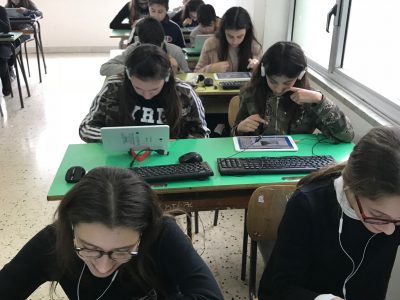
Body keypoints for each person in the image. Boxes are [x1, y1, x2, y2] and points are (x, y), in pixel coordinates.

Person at [0, 166, 224, 299]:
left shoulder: (161, 233)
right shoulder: (53, 241)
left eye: (123, 251)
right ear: (71, 227)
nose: (103, 267)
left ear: (143, 232)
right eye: (88, 249)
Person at [258, 126, 400, 300]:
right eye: (378, 216)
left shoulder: (392, 216)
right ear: (353, 186)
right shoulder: (307, 205)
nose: (390, 231)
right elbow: (281, 288)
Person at [80, 44, 209, 142]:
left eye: (154, 89)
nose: (147, 96)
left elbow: (202, 134)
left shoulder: (184, 93)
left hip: (171, 159)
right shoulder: (113, 88)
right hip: (122, 160)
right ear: (129, 75)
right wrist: (118, 140)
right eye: (138, 88)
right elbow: (86, 128)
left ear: (167, 77)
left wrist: (176, 144)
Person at [232, 41, 354, 143]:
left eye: (287, 83)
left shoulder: (309, 100)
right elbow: (233, 137)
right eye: (273, 81)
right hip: (257, 161)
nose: (278, 89)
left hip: (297, 161)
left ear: (300, 76)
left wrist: (320, 100)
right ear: (264, 72)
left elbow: (346, 136)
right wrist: (239, 130)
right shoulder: (250, 94)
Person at [101, 17, 190, 76]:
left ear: (163, 40)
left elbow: (188, 76)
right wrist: (136, 70)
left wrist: (177, 69)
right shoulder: (134, 49)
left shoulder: (175, 51)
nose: (153, 51)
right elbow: (105, 68)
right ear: (140, 42)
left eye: (157, 47)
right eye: (148, 48)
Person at [194, 6, 262, 73]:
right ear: (224, 31)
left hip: (245, 84)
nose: (235, 42)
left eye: (240, 36)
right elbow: (195, 74)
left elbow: (264, 79)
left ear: (247, 32)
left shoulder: (254, 47)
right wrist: (210, 69)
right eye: (230, 36)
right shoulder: (211, 44)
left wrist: (257, 69)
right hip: (217, 84)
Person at [0, 6, 12, 96]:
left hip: (2, 44)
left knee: (2, 61)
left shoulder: (1, 10)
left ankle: (6, 87)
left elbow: (7, 29)